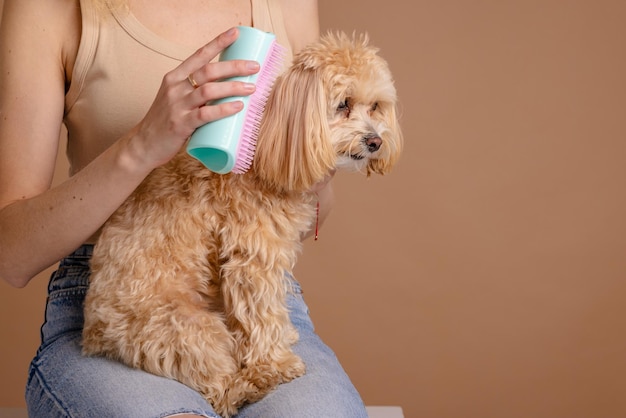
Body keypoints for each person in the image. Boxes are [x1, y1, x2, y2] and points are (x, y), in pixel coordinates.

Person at [0, 0, 367, 416]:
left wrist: (307, 169)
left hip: (261, 306)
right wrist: (140, 146)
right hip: (114, 306)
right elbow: (11, 256)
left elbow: (308, 216)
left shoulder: (290, 5)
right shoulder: (49, 10)